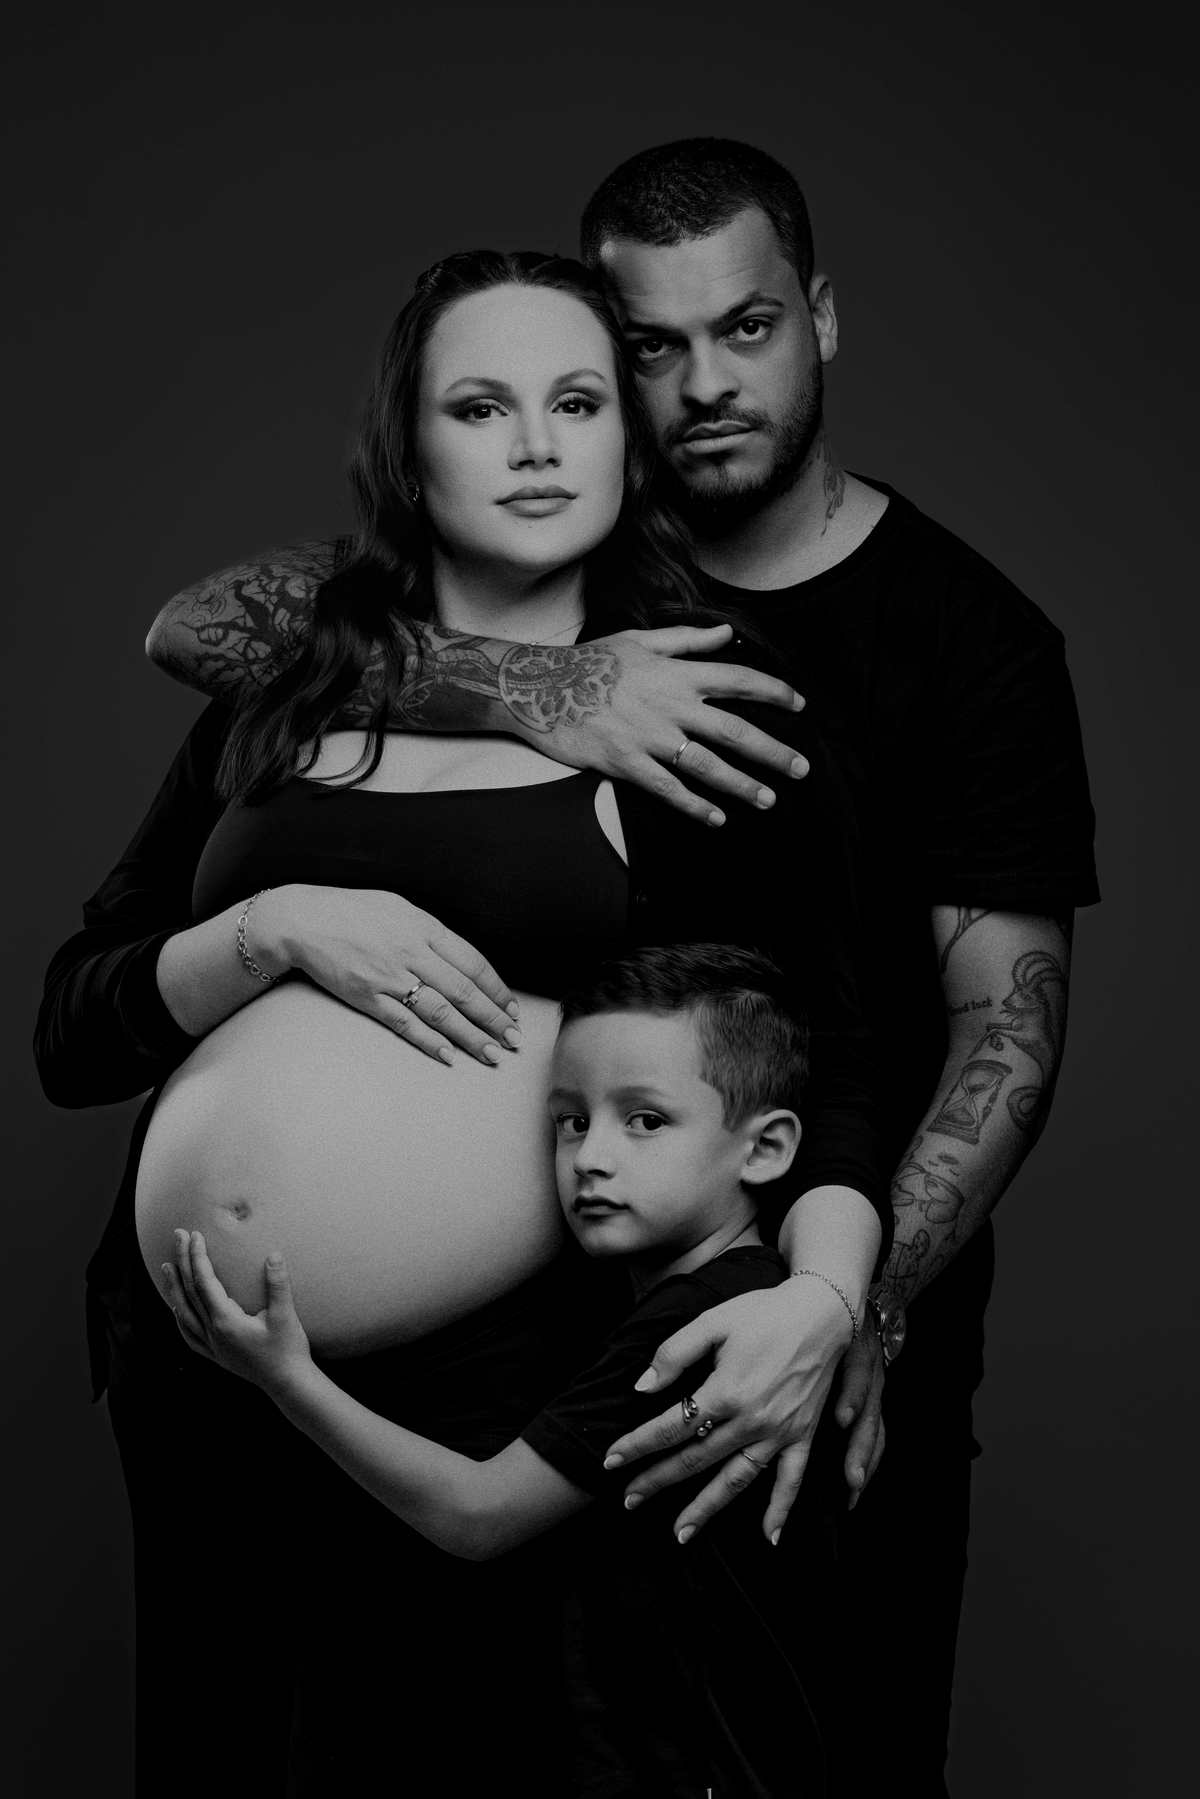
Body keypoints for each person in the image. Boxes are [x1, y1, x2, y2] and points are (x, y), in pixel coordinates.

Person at [147, 141, 1100, 1791]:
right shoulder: (554, 583)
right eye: (650, 347)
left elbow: (999, 1030)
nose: (703, 384)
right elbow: (201, 620)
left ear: (820, 317)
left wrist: (849, 1301)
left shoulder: (970, 642)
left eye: (746, 327)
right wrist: (553, 685)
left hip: (834, 1294)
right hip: (572, 1329)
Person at [37, 248, 887, 1795]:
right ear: (408, 446)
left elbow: (829, 1055)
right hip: (202, 1374)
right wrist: (268, 929)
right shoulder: (281, 697)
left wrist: (830, 1298)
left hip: (501, 1394)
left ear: (631, 437)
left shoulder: (700, 704)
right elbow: (73, 1029)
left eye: (580, 401)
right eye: (481, 407)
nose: (539, 445)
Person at [163, 942, 857, 1796]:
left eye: (645, 1120)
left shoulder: (701, 1318)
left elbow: (478, 1514)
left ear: (766, 1148)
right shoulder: (714, 1293)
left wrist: (288, 1378)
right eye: (571, 1120)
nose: (591, 1157)